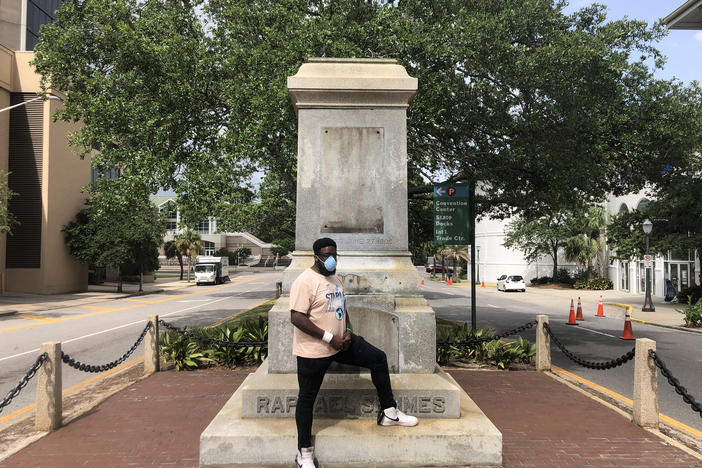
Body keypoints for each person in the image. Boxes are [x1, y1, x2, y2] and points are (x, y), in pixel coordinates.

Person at [290, 237, 418, 468]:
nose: (331, 259)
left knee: (378, 359)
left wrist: (347, 331)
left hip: (341, 343)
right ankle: (304, 453)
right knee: (306, 399)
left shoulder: (334, 278)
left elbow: (341, 307)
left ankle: (389, 412)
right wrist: (330, 338)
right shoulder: (305, 281)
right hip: (314, 350)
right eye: (326, 255)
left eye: (334, 255)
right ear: (316, 256)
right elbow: (296, 317)